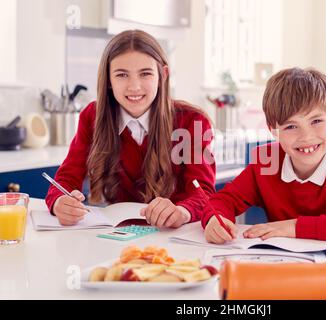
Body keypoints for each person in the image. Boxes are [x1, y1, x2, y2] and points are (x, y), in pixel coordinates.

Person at [45, 30, 215, 227]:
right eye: (122, 75)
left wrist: (182, 212)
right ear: (108, 79)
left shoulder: (192, 121)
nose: (134, 87)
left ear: (163, 75)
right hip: (112, 237)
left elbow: (203, 192)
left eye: (145, 74)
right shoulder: (93, 115)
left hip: (172, 235)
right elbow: (66, 179)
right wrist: (60, 202)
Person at [202, 67, 326, 244]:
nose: (306, 136)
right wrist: (215, 220)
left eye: (316, 121)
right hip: (282, 266)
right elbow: (222, 201)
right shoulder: (267, 162)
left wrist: (294, 227)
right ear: (273, 130)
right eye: (291, 126)